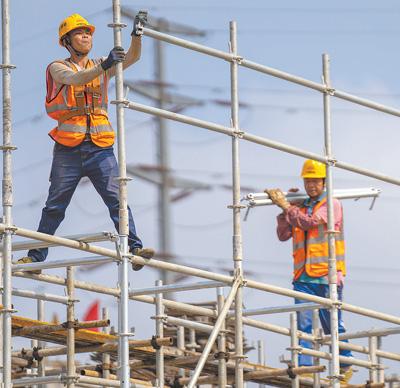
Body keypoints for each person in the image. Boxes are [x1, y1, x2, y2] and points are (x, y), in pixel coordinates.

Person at [17, 13, 153, 271]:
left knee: (117, 198)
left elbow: (133, 58)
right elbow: (75, 79)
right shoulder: (57, 67)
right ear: (66, 41)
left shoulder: (102, 63)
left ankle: (134, 247)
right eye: (80, 33)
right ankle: (35, 257)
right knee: (55, 204)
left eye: (88, 33)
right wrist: (105, 66)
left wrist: (137, 35)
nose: (86, 36)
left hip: (100, 146)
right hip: (68, 147)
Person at [265, 159, 353, 383]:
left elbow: (309, 223)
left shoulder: (331, 204)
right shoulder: (301, 206)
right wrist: (286, 208)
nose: (311, 185)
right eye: (308, 181)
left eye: (315, 181)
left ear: (324, 182)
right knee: (303, 324)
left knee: (332, 323)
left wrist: (287, 206)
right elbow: (284, 235)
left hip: (327, 275)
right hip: (302, 275)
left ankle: (344, 364)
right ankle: (304, 367)